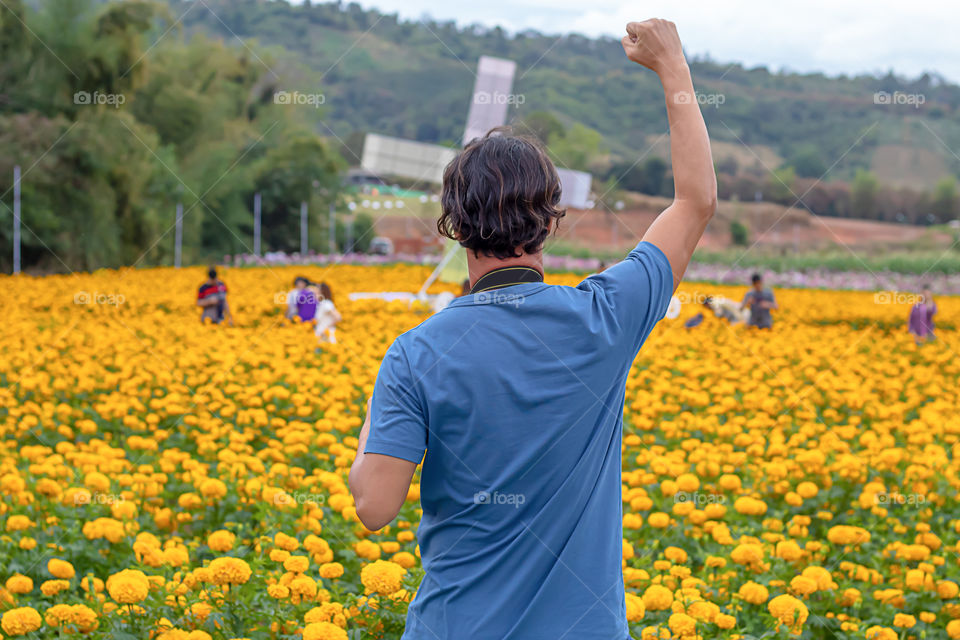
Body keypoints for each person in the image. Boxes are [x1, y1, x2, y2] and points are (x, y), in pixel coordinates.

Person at [349, 18, 716, 640]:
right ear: (550, 221)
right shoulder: (607, 316)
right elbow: (694, 201)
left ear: (454, 227)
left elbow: (375, 507)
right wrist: (673, 67)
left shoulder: (417, 354)